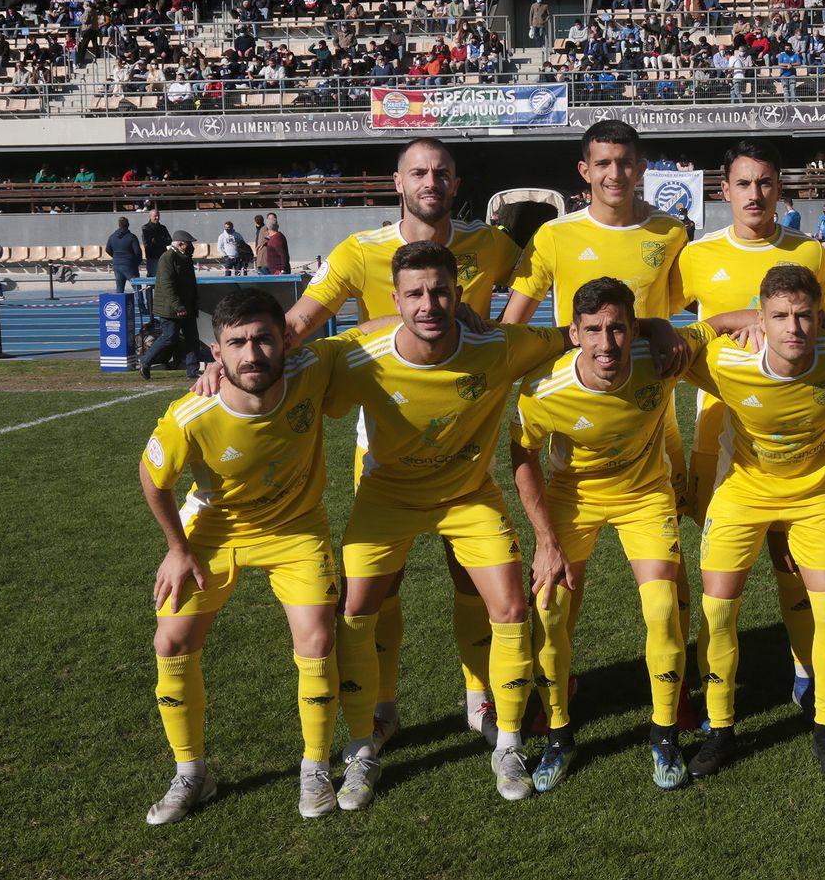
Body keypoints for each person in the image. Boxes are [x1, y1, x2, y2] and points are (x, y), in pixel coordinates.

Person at [318, 240, 681, 802]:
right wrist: (220, 366)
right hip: (387, 496)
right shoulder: (359, 353)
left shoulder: (499, 345)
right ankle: (363, 746)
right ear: (394, 299)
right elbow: (284, 368)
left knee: (514, 607)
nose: (429, 303)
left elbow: (577, 333)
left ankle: (509, 743)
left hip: (468, 496)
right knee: (358, 610)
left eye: (440, 291)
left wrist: (655, 327)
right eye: (414, 294)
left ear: (458, 294)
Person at [280, 137, 520, 754]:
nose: (430, 182)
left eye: (441, 172)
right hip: (385, 446)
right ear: (397, 181)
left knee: (472, 580)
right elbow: (301, 323)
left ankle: (480, 701)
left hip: (465, 437)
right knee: (380, 591)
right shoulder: (360, 251)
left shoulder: (490, 246)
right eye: (419, 172)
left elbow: (546, 284)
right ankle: (383, 708)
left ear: (457, 181)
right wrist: (232, 358)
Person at [138, 289, 382, 825]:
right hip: (214, 533)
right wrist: (177, 550)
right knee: (171, 640)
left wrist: (443, 312)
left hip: (297, 531)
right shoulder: (190, 414)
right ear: (217, 352)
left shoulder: (313, 366)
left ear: (285, 340)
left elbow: (374, 331)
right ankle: (191, 775)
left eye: (264, 339)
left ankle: (314, 766)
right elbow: (152, 478)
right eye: (237, 344)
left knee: (318, 640)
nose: (252, 354)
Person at [503, 120, 692, 722]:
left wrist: (662, 325)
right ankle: (558, 687)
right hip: (575, 418)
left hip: (651, 417)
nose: (615, 174)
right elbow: (516, 322)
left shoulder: (671, 233)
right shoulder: (555, 236)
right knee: (561, 585)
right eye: (602, 163)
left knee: (668, 570)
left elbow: (687, 309)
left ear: (641, 167)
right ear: (584, 172)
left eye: (626, 162)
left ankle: (678, 683)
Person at [510, 278, 725, 792]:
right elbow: (523, 457)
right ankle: (559, 735)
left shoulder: (660, 359)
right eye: (593, 330)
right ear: (574, 333)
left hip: (646, 496)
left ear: (635, 329)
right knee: (549, 609)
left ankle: (664, 733)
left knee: (662, 609)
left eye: (618, 329)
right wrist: (545, 539)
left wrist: (759, 322)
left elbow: (719, 324)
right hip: (572, 498)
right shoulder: (545, 389)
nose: (607, 343)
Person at [682, 265, 825, 782]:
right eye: (779, 316)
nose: (792, 328)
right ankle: (720, 728)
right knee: (719, 613)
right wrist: (718, 325)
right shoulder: (728, 360)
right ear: (762, 317)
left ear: (821, 319)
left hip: (814, 500)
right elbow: (672, 337)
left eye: (804, 316)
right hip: (740, 498)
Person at [677, 139, 825, 711]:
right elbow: (675, 328)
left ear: (778, 189)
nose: (754, 194)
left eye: (765, 183)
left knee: (792, 559)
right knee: (719, 577)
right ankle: (708, 687)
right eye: (743, 183)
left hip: (797, 436)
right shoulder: (696, 256)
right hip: (721, 434)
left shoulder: (810, 254)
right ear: (724, 190)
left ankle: (806, 670)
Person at [141, 230, 202, 379]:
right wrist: (177, 306)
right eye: (189, 244)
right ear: (180, 244)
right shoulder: (168, 258)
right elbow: (167, 284)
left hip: (186, 305)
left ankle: (192, 370)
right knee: (169, 337)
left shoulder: (185, 258)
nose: (191, 247)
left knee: (192, 338)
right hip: (171, 308)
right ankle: (146, 361)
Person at [106, 217, 144, 310]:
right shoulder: (131, 237)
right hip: (129, 264)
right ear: (128, 225)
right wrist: (136, 262)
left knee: (119, 288)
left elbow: (107, 249)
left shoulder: (112, 236)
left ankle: (119, 309)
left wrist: (115, 257)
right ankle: (142, 307)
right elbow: (138, 252)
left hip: (117, 264)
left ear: (119, 225)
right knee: (136, 287)